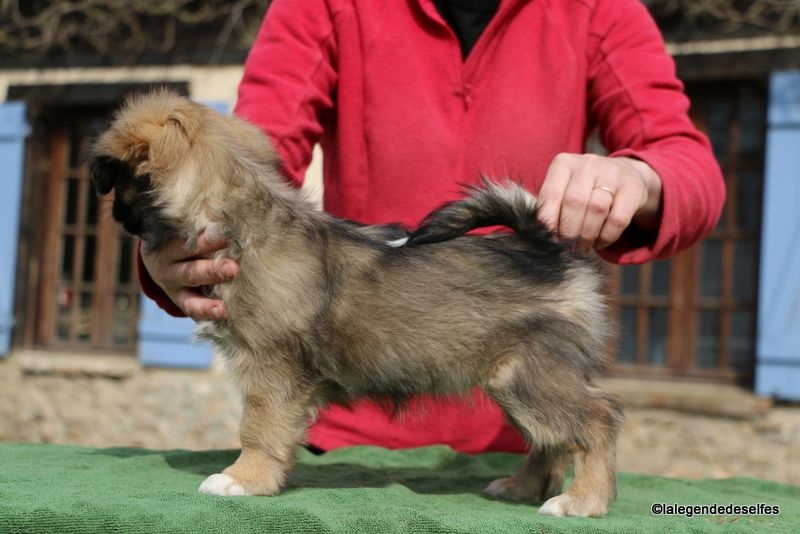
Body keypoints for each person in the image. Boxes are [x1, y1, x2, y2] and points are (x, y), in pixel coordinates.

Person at [138, 0, 725, 454]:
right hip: (349, 436)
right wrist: (177, 256)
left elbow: (688, 162)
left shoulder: (599, 9)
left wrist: (640, 176)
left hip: (523, 428)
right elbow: (255, 160)